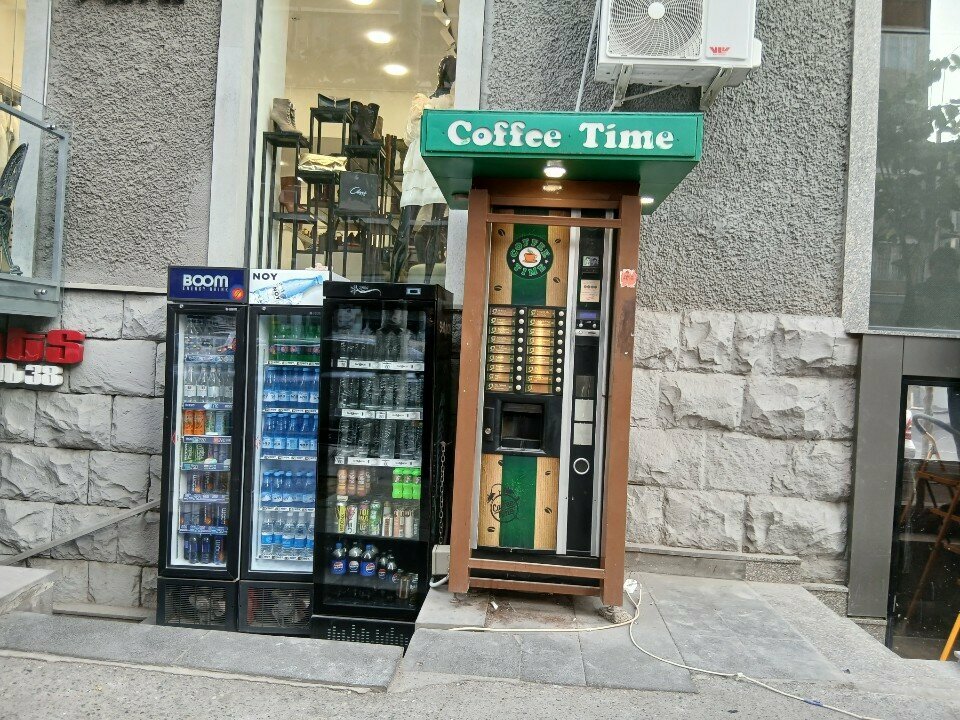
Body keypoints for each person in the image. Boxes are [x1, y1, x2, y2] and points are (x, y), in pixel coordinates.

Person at [897, 246, 960, 331]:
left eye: (948, 271)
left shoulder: (958, 293)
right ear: (930, 269)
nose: (943, 276)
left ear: (955, 271)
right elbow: (902, 325)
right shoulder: (917, 292)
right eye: (939, 270)